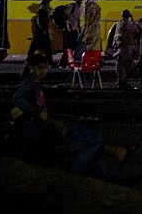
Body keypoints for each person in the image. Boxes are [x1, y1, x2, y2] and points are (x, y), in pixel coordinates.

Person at [10, 51, 129, 179]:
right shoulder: (28, 86)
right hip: (41, 130)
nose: (44, 71)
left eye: (45, 67)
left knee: (90, 137)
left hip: (44, 127)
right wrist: (34, 112)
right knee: (91, 139)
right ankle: (80, 172)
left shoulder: (34, 85)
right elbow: (18, 99)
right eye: (40, 68)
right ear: (31, 68)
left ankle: (107, 167)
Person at [115, 9, 142, 88]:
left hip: (120, 47)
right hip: (127, 47)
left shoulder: (119, 23)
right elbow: (139, 30)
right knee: (127, 65)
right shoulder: (129, 24)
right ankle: (123, 82)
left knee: (120, 65)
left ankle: (120, 81)